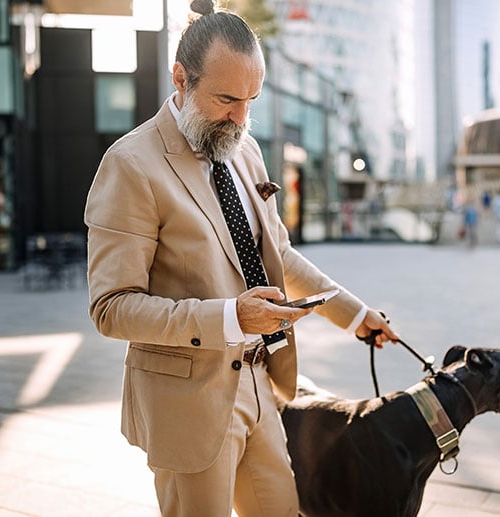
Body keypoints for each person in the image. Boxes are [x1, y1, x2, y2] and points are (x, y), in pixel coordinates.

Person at [83, 2, 398, 516]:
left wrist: (357, 316)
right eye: (227, 99)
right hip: (187, 405)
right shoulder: (130, 165)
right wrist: (233, 317)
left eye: (252, 100)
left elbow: (279, 256)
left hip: (261, 386)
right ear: (181, 79)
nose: (241, 118)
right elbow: (111, 308)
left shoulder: (244, 149)